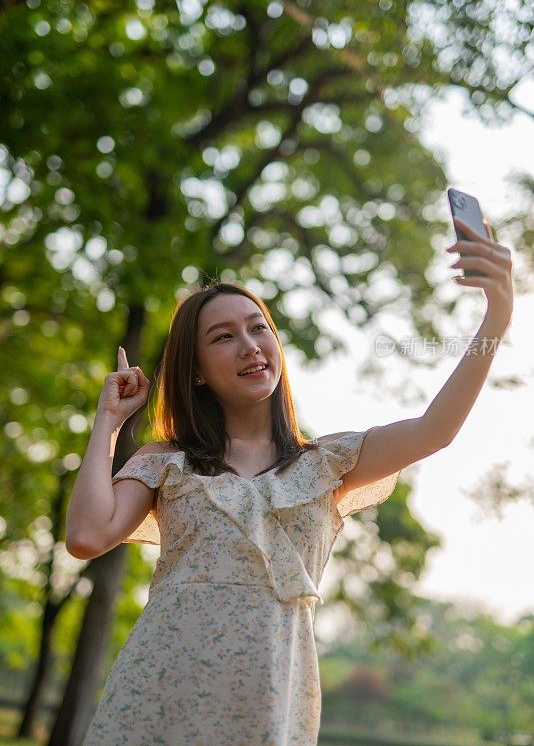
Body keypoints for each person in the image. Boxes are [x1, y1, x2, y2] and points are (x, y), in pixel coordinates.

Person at [67, 216, 513, 745]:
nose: (250, 345)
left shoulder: (327, 463)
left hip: (271, 700)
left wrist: (498, 317)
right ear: (196, 372)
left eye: (259, 329)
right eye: (223, 336)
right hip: (159, 695)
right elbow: (87, 535)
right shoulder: (169, 460)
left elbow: (436, 430)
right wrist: (109, 423)